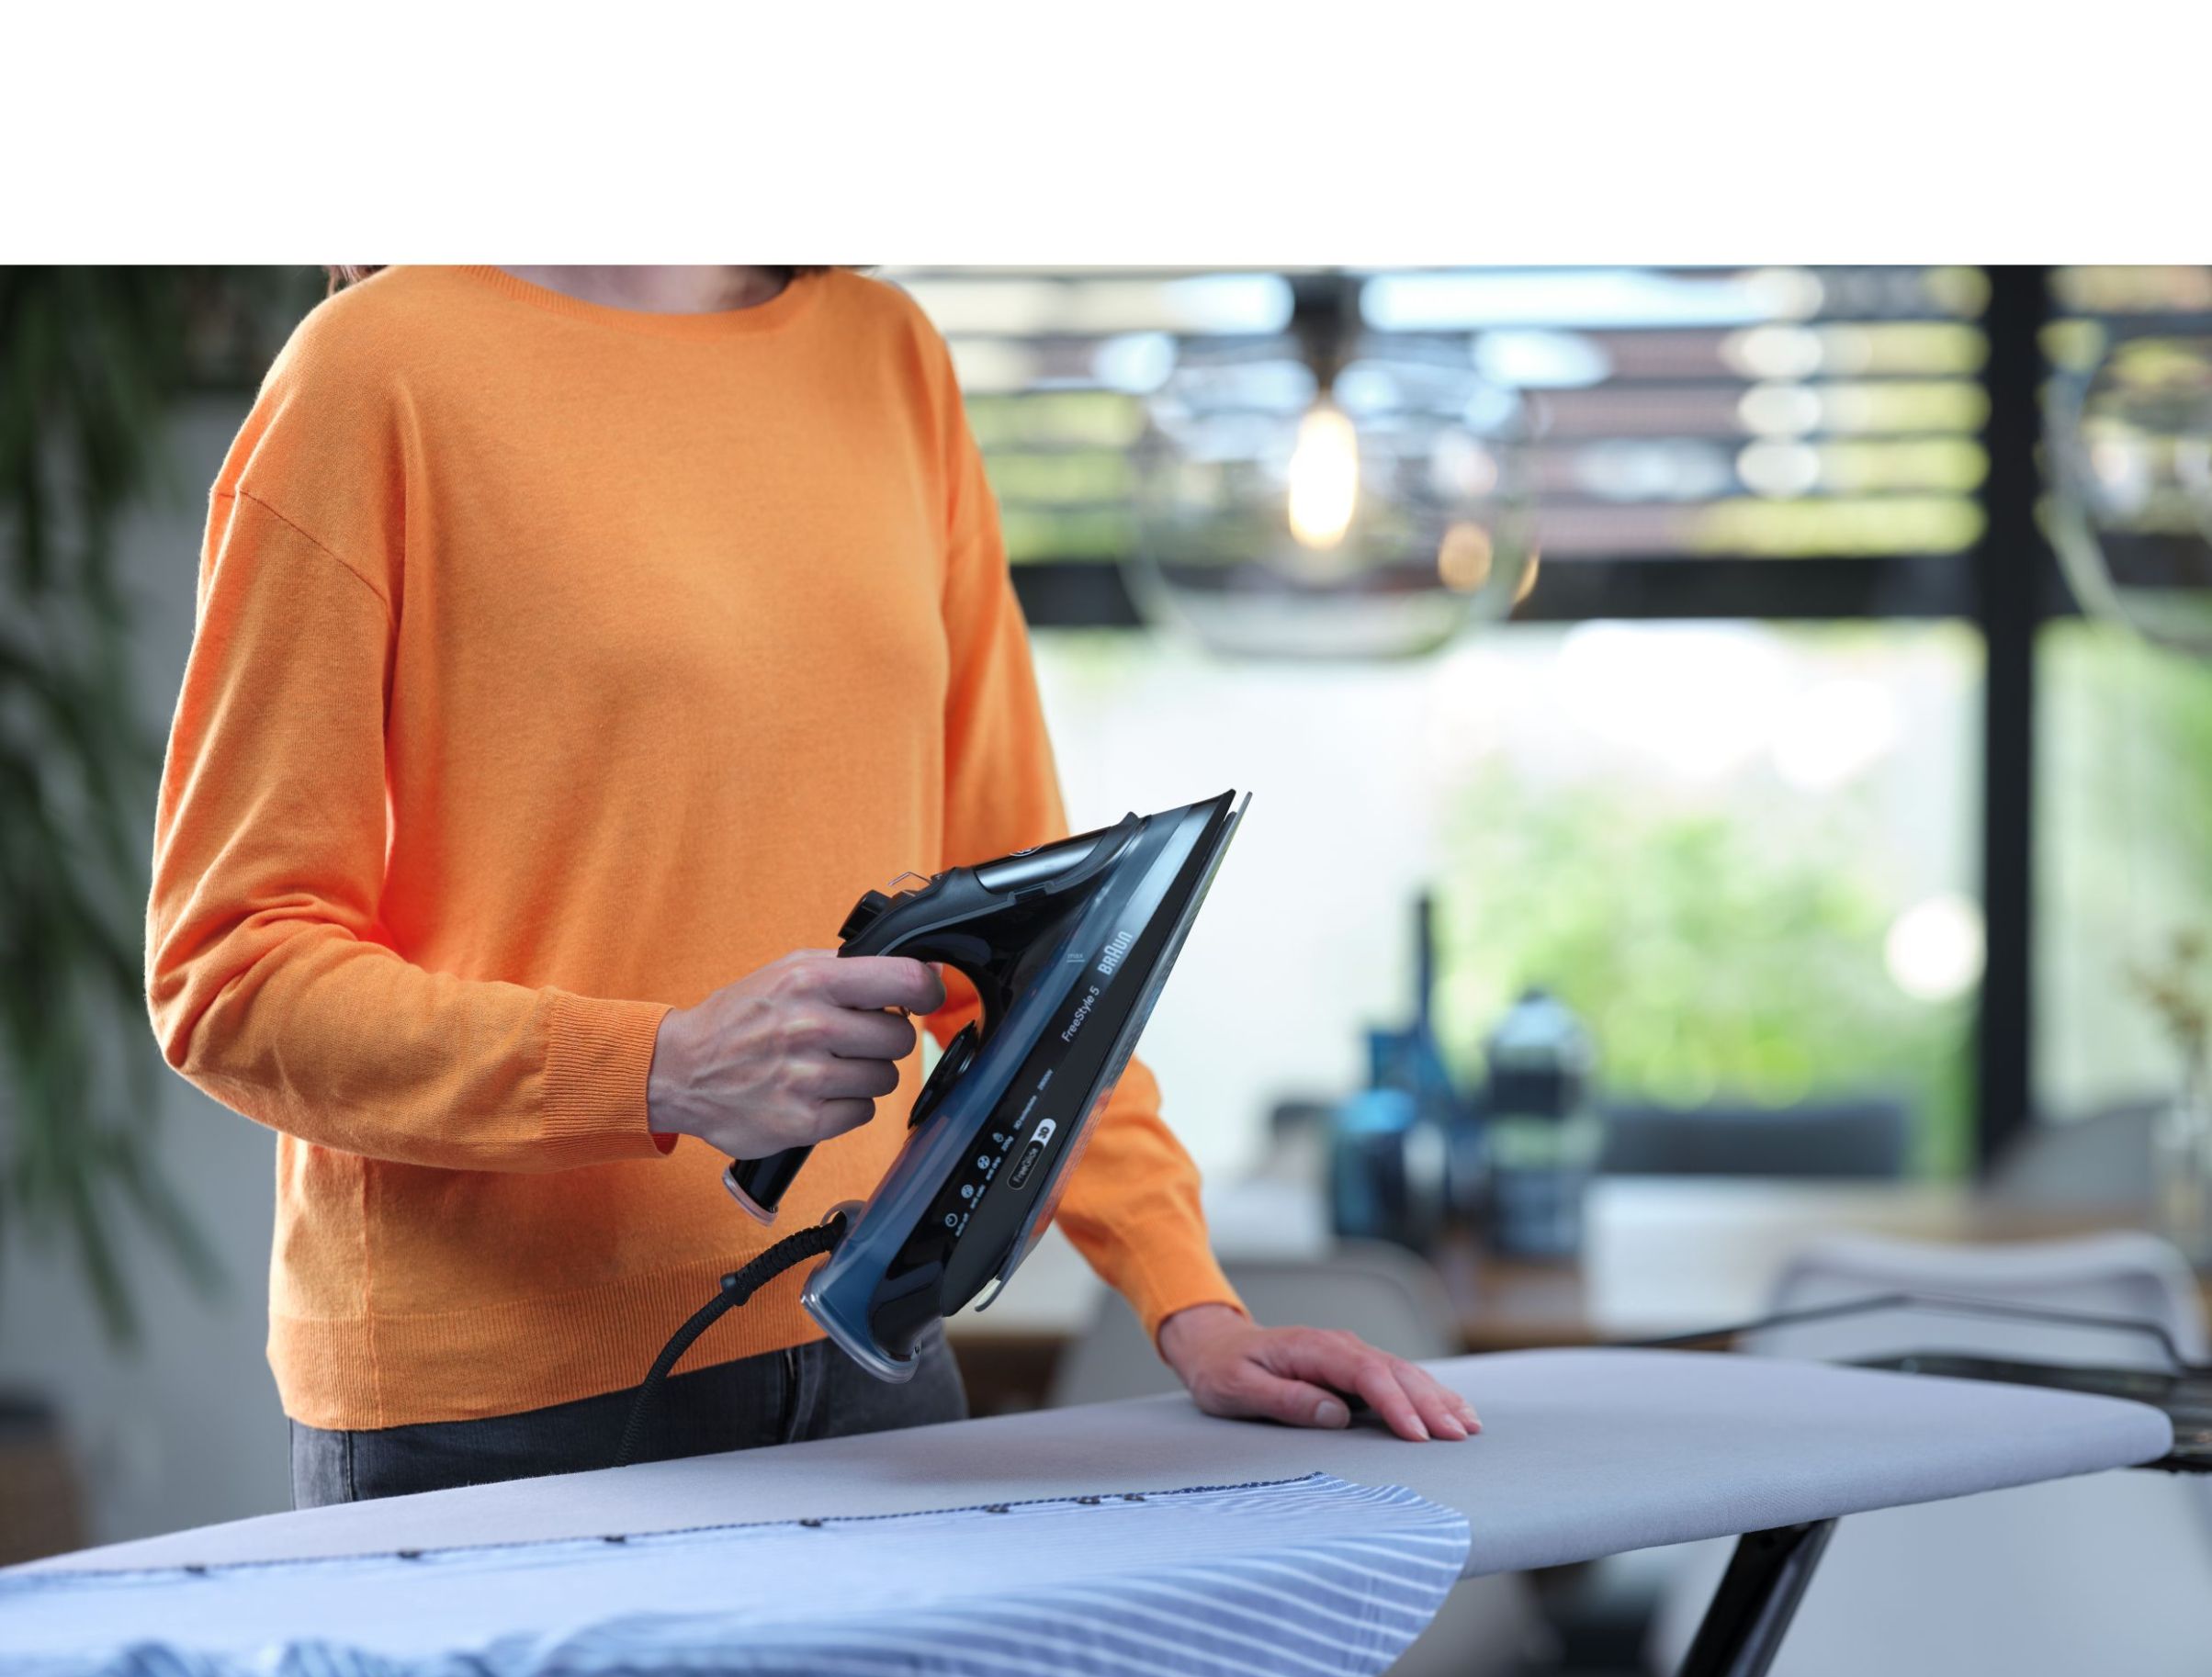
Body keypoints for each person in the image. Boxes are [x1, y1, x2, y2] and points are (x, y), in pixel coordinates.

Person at [147, 264, 1477, 1505]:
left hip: (876, 1368)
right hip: (502, 1419)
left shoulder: (888, 361)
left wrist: (1192, 1305)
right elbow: (229, 976)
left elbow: (1044, 965)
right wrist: (659, 1069)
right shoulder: (375, 373)